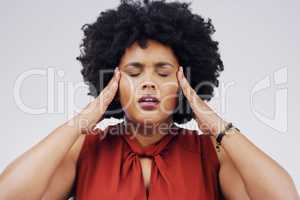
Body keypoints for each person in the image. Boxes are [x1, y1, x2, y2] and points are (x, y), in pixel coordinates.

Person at [0, 0, 299, 199]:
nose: (148, 83)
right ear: (112, 82)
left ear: (185, 83)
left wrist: (217, 125)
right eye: (134, 71)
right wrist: (82, 121)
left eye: (163, 72)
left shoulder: (212, 153)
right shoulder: (84, 150)